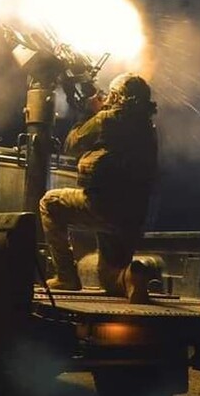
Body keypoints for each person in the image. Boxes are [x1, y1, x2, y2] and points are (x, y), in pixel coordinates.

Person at [39, 73, 158, 303]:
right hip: (133, 216)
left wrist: (88, 111)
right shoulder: (148, 127)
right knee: (109, 279)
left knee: (50, 203)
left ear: (116, 96)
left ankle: (65, 276)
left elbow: (71, 145)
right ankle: (131, 277)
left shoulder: (108, 119)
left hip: (103, 207)